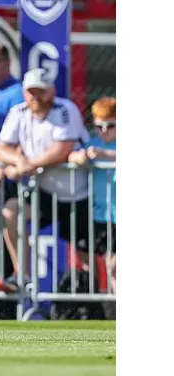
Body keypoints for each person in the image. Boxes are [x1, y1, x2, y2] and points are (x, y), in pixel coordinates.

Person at [0, 69, 90, 292]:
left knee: (86, 253)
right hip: (44, 191)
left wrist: (29, 165)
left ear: (52, 91)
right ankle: (22, 276)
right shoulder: (18, 112)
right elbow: (1, 149)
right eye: (31, 92)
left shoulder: (65, 109)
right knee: (11, 211)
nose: (36, 97)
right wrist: (18, 160)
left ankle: (101, 306)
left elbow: (62, 149)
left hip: (76, 192)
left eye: (41, 91)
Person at [68, 96, 116, 293]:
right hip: (99, 214)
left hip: (119, 215)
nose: (104, 131)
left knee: (115, 266)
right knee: (90, 260)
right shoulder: (92, 142)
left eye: (111, 125)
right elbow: (71, 154)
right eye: (99, 126)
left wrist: (106, 156)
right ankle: (98, 307)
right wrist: (78, 157)